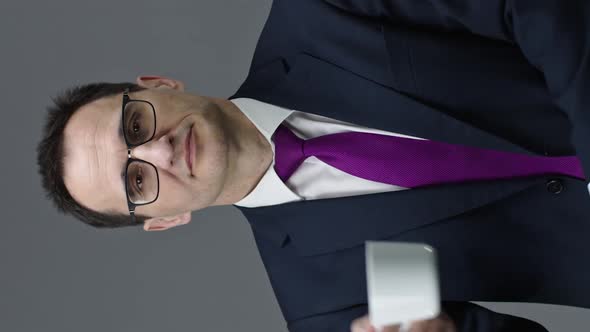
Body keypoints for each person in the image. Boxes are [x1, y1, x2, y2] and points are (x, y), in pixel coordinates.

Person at [37, 0, 590, 331]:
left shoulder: (322, 11)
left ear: (157, 86)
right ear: (163, 220)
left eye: (135, 126)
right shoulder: (322, 310)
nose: (157, 151)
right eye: (137, 180)